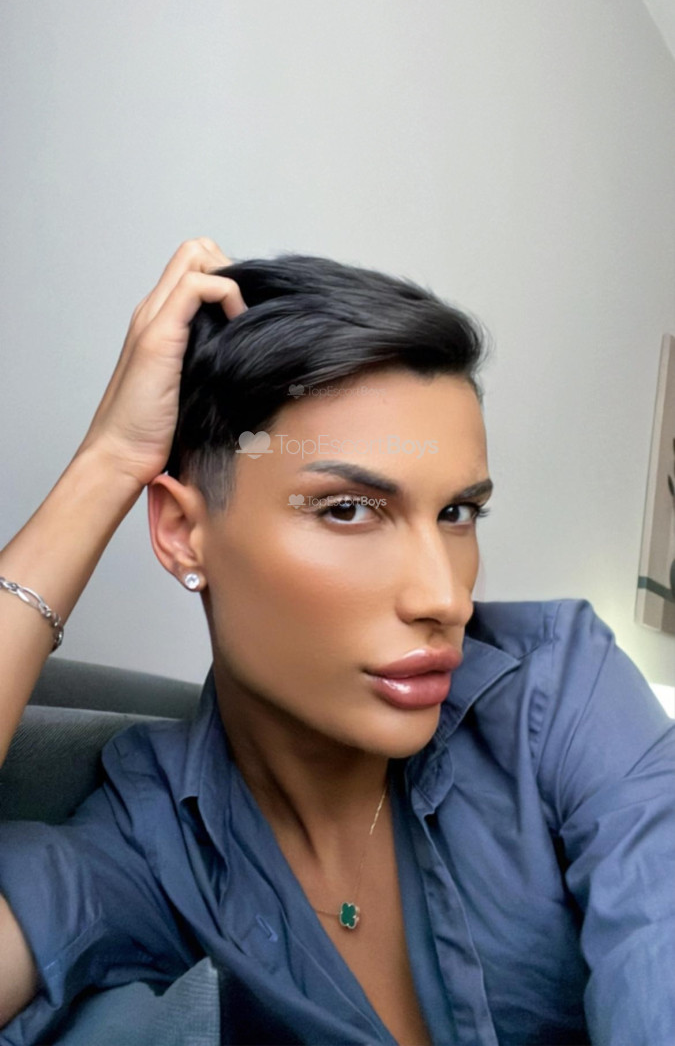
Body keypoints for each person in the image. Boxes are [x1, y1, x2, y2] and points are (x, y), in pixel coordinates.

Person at [0, 238, 673, 1046]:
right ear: (181, 531)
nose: (445, 597)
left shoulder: (558, 690)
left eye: (457, 513)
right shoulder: (154, 841)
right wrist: (106, 464)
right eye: (347, 510)